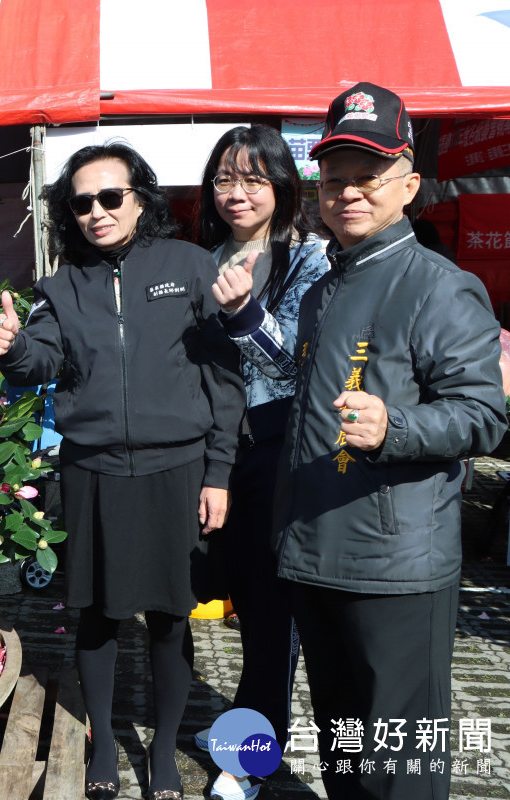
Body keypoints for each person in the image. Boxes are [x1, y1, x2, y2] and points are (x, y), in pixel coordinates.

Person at [0, 142, 244, 800]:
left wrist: (219, 472)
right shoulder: (60, 285)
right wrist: (14, 350)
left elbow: (222, 378)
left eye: (110, 197)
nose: (96, 212)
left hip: (177, 468)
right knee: (96, 614)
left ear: (141, 199)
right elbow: (40, 361)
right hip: (92, 471)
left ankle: (162, 753)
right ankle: (102, 738)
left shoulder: (189, 267)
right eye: (81, 203)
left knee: (170, 617)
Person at [274, 83, 506, 800]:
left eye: (367, 177)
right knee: (347, 754)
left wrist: (394, 426)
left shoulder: (443, 286)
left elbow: (484, 414)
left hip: (395, 566)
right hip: (315, 551)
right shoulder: (321, 288)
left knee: (400, 769)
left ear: (408, 181)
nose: (348, 193)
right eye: (334, 178)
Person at [193, 125, 330, 800]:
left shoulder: (310, 259)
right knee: (231, 593)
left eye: (253, 178)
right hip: (212, 455)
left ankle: (253, 756)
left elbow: (299, 369)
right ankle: (238, 727)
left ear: (282, 183)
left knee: (270, 611)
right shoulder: (206, 256)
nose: (236, 192)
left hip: (277, 450)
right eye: (224, 178)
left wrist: (245, 313)